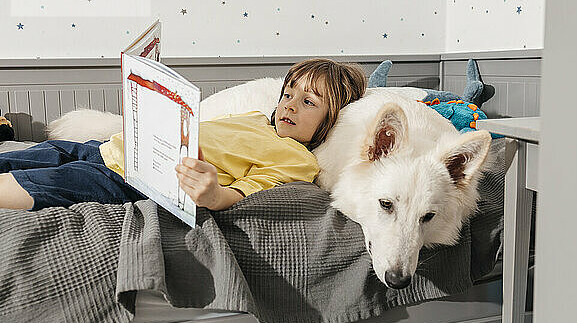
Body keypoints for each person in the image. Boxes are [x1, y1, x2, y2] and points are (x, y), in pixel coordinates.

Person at [0, 58, 367, 212]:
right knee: (42, 153)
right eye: (288, 94)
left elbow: (240, 194)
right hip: (110, 149)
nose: (290, 105)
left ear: (332, 117)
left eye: (308, 102)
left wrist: (213, 193)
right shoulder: (256, 119)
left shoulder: (297, 161)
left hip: (128, 178)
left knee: (42, 182)